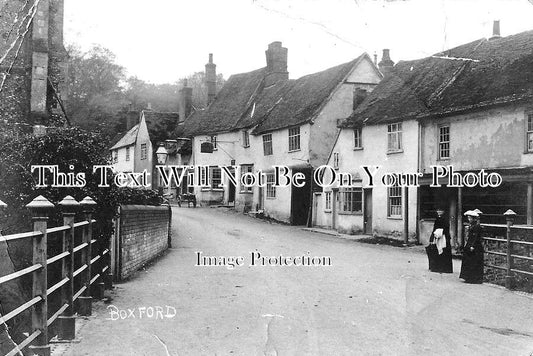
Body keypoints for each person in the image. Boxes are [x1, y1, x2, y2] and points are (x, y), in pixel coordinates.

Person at [459, 210, 484, 283]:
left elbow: (476, 237)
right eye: (468, 218)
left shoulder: (476, 226)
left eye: (470, 218)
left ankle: (474, 278)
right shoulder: (471, 226)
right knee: (468, 260)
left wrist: (472, 245)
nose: (469, 219)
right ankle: (468, 277)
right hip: (470, 244)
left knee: (474, 261)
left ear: (474, 219)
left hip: (475, 245)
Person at [427, 207, 453, 273]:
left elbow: (446, 228)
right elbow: (434, 228)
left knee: (444, 251)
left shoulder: (445, 219)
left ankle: (445, 268)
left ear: (443, 211)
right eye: (438, 210)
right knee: (437, 251)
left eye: (440, 210)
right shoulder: (437, 218)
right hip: (437, 236)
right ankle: (437, 267)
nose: (439, 211)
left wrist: (440, 232)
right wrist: (432, 236)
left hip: (444, 236)